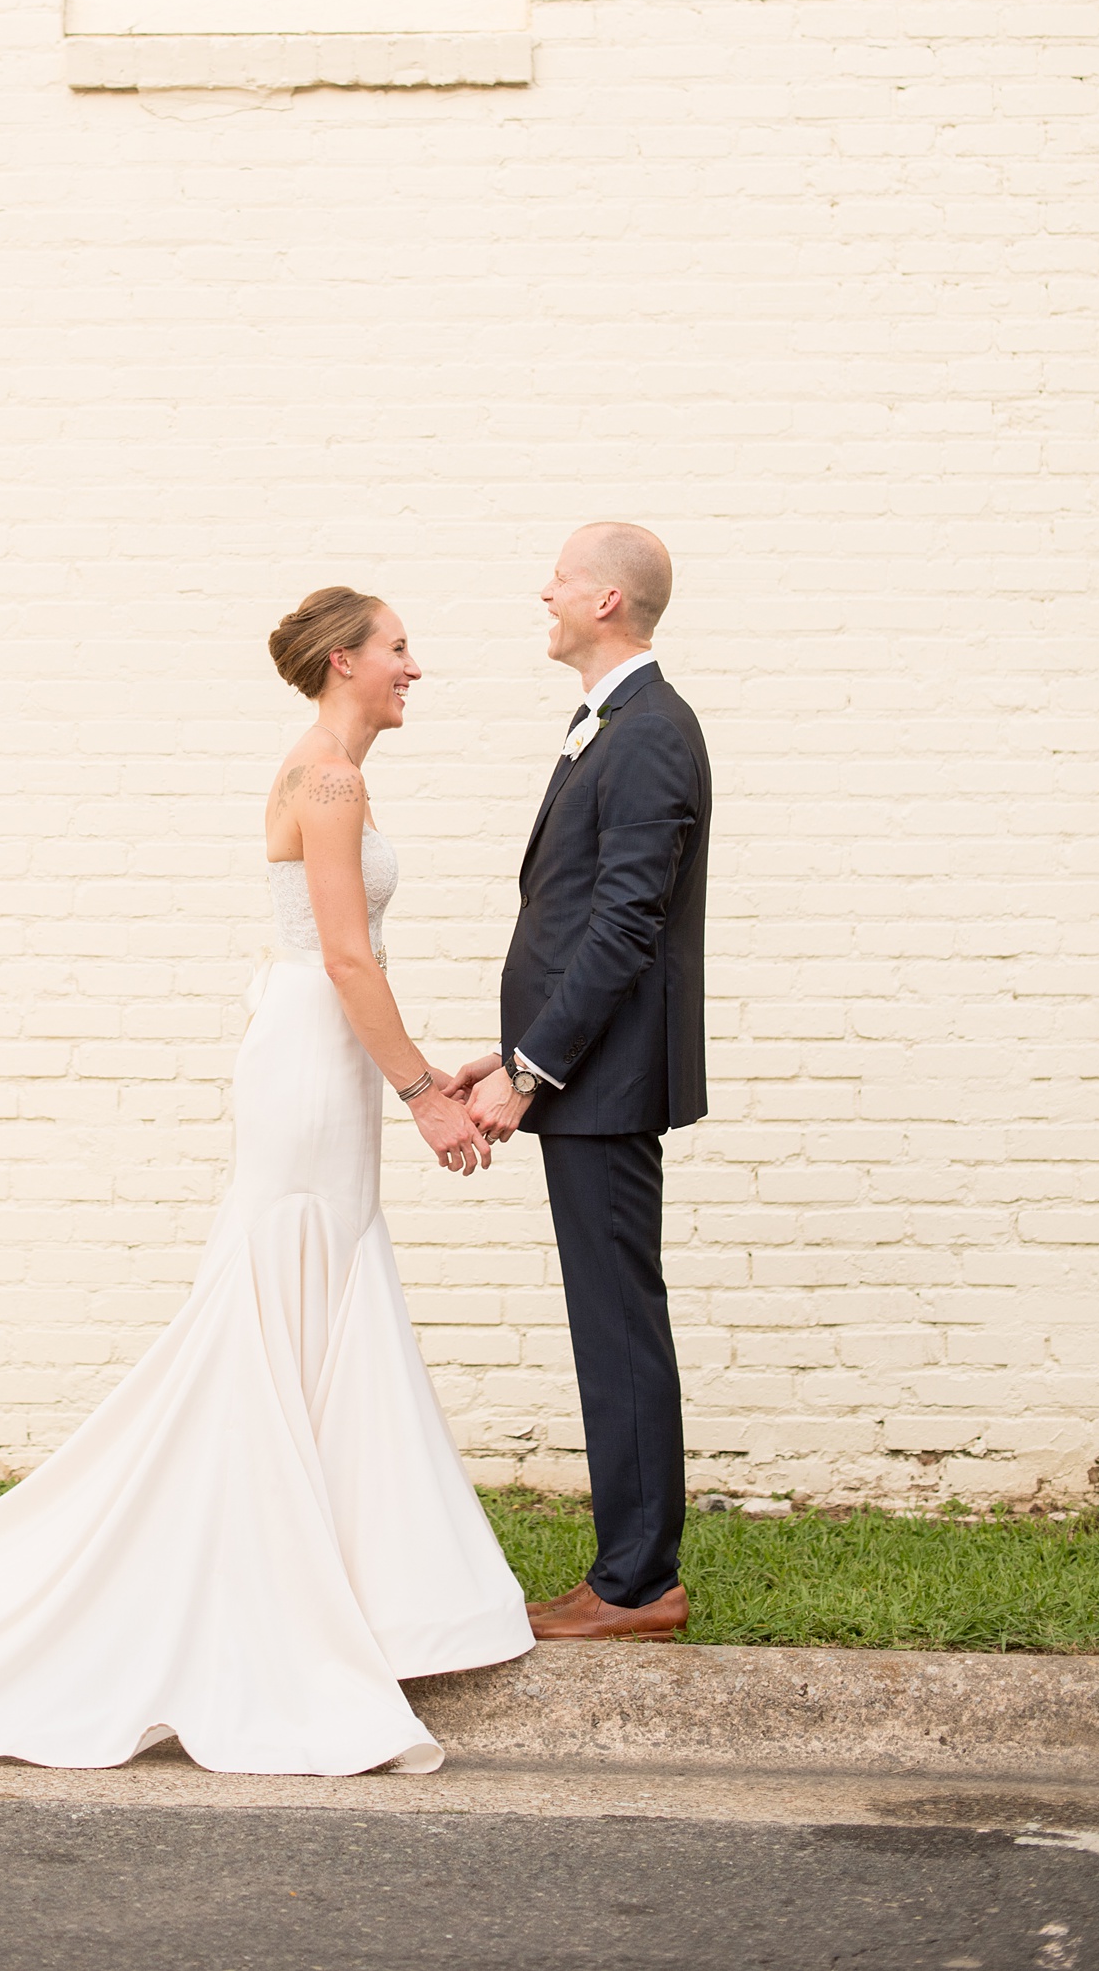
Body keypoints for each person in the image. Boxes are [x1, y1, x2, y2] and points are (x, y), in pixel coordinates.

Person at [0, 588, 532, 1777]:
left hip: (321, 1053)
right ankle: (262, 1585)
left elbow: (345, 957)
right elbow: (339, 953)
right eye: (396, 649)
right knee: (275, 1303)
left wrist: (418, 1069)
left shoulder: (333, 772)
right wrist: (425, 1091)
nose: (413, 667)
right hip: (312, 1055)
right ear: (343, 662)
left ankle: (337, 1576)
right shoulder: (326, 780)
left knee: (317, 1297)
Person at [449, 524, 711, 1644]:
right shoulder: (608, 722)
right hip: (575, 1073)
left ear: (605, 599)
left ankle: (637, 1583)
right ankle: (626, 1569)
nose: (541, 593)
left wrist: (533, 1068)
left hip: (597, 1080)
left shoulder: (648, 730)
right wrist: (504, 1055)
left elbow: (620, 923)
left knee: (615, 1322)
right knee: (608, 1317)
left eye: (557, 578)